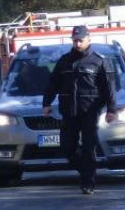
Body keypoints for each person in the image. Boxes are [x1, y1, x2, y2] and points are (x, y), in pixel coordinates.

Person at [41, 25, 116, 194]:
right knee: (67, 148)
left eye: (80, 40)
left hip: (90, 110)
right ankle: (85, 171)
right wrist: (46, 103)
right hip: (69, 112)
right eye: (75, 40)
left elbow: (108, 88)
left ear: (88, 39)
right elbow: (53, 83)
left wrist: (112, 109)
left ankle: (88, 182)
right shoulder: (64, 61)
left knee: (89, 147)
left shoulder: (98, 61)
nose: (77, 43)